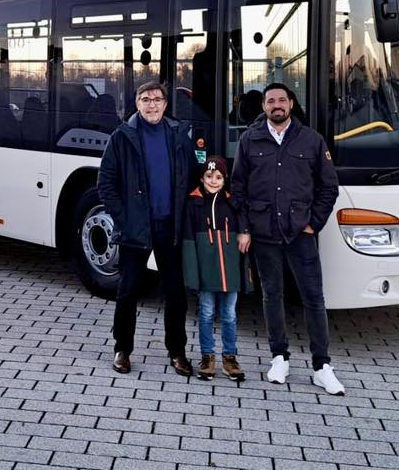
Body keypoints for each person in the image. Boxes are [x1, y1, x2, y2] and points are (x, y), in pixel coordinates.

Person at [229, 82, 345, 395]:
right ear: (264, 107)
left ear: (291, 104)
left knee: (313, 298)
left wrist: (314, 223)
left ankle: (322, 366)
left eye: (282, 100)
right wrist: (245, 227)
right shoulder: (249, 140)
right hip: (264, 233)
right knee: (272, 295)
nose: (276, 105)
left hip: (300, 234)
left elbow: (328, 187)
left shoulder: (311, 140)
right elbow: (237, 187)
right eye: (270, 101)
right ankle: (279, 358)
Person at [97, 79, 194, 377]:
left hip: (170, 227)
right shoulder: (122, 137)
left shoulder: (178, 135)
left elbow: (190, 177)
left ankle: (177, 351)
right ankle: (122, 349)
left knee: (175, 292)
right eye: (145, 99)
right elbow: (106, 184)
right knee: (128, 290)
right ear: (137, 103)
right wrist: (123, 219)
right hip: (136, 228)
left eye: (157, 99)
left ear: (165, 104)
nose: (152, 104)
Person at [182, 155, 249, 382]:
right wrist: (192, 275)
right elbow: (189, 241)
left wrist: (245, 232)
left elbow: (244, 231)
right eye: (209, 176)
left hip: (229, 270)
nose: (214, 181)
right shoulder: (193, 203)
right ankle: (207, 356)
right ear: (202, 178)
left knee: (229, 315)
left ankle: (230, 357)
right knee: (207, 313)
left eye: (218, 177)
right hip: (206, 271)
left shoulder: (232, 203)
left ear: (225, 178)